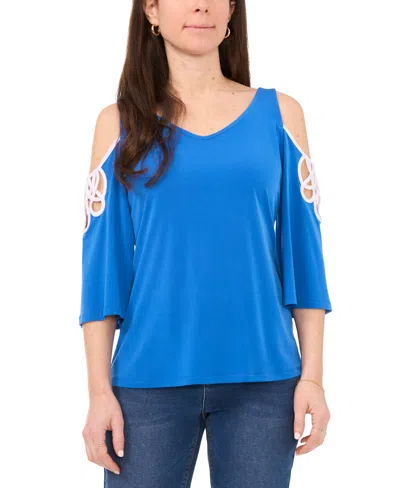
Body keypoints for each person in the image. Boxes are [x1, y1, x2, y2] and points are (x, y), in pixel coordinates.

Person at [79, 1, 333, 487]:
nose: (201, 4)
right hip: (146, 385)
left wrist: (313, 378)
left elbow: (304, 257)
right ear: (151, 10)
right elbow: (103, 269)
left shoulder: (281, 115)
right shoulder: (118, 123)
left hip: (264, 382)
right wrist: (98, 392)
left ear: (232, 9)